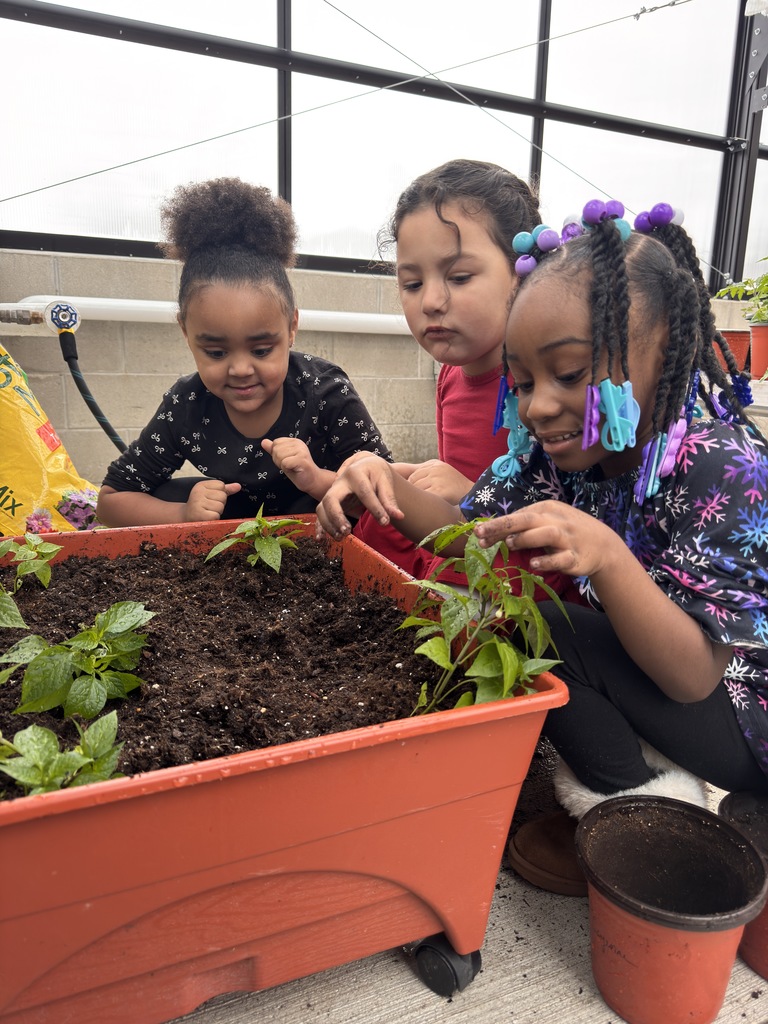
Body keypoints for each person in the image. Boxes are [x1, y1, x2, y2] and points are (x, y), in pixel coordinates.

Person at [316, 199, 768, 897]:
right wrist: (383, 481)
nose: (535, 406)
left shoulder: (717, 466)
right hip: (667, 683)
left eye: (570, 373)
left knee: (549, 623)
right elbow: (468, 534)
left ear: (664, 350)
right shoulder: (555, 457)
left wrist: (611, 559)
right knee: (520, 614)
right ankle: (630, 788)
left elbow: (695, 677)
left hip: (745, 720)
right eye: (523, 382)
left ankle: (647, 817)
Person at [96, 177, 391, 527]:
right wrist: (184, 513)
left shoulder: (324, 391)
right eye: (217, 353)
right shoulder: (187, 405)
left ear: (292, 327)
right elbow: (110, 501)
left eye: (262, 350)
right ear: (186, 332)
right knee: (172, 493)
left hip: (322, 533)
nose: (240, 369)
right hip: (232, 545)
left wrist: (314, 478)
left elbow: (387, 491)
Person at [353, 157, 576, 599]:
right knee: (371, 523)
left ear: (522, 271)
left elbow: (571, 508)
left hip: (523, 547)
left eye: (459, 276)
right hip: (463, 532)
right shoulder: (451, 375)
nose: (431, 301)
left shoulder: (545, 385)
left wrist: (471, 493)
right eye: (412, 284)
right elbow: (448, 481)